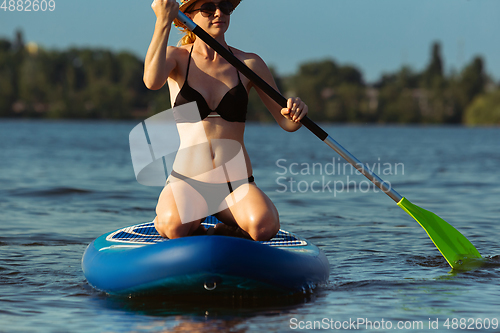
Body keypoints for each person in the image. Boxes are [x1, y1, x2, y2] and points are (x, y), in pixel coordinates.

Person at [144, 0, 308, 241]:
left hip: (236, 185)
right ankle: (188, 225)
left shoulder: (249, 63)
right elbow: (151, 81)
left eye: (225, 6)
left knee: (264, 227)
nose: (219, 13)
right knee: (172, 227)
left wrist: (296, 110)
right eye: (208, 7)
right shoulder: (176, 58)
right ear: (188, 15)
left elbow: (288, 123)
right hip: (187, 182)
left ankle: (224, 231)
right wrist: (163, 21)